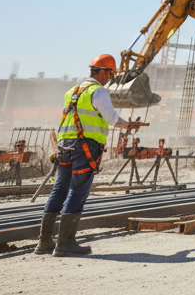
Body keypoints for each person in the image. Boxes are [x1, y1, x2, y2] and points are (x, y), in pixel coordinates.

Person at [36, 53, 138, 257]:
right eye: (110, 74)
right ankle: (65, 243)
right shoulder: (98, 92)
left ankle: (45, 242)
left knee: (59, 189)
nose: (110, 78)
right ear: (102, 72)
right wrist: (129, 125)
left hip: (64, 147)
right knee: (78, 189)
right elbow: (111, 119)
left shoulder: (72, 91)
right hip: (84, 148)